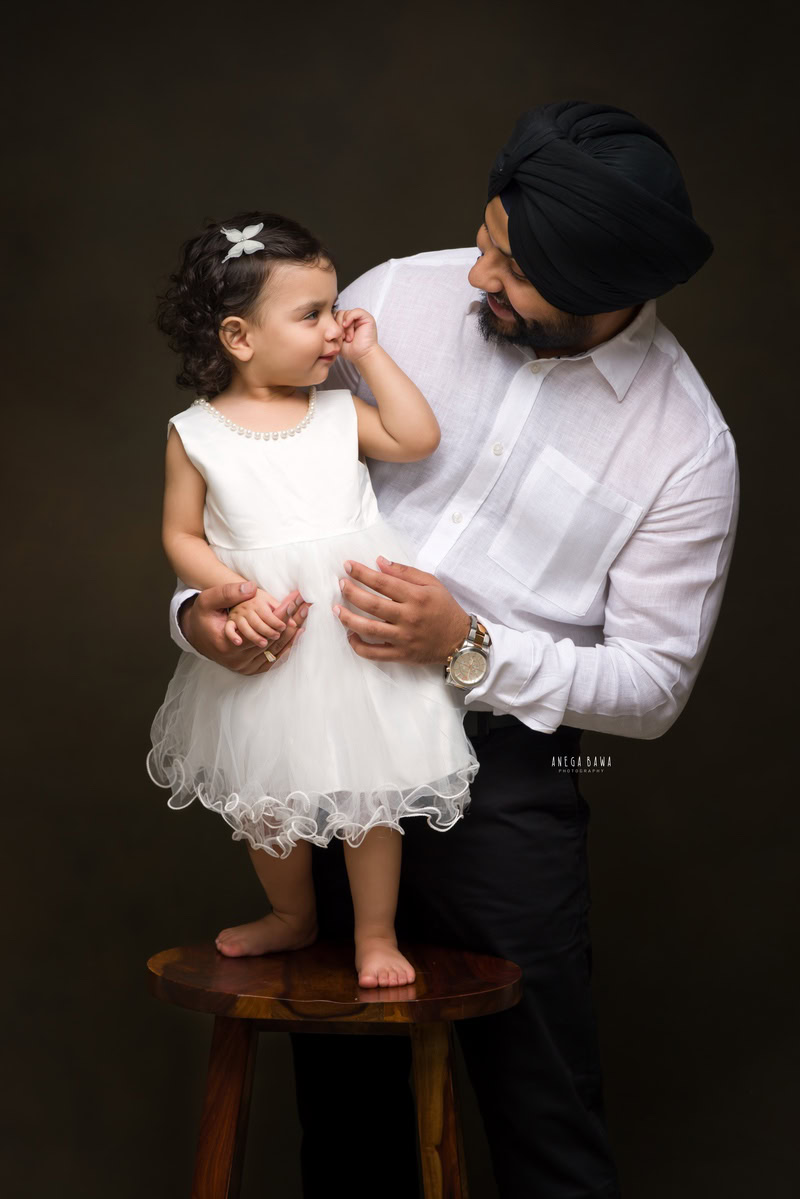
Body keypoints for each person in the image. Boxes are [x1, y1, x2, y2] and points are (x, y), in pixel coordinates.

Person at [167, 101, 740, 1199]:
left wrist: (466, 647)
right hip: (321, 743)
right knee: (343, 1122)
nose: (477, 273)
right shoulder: (389, 298)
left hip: (507, 785)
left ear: (604, 286)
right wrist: (201, 617)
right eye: (486, 238)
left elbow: (654, 685)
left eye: (511, 266)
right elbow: (244, 477)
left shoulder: (681, 444)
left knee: (544, 1115)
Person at [146, 211, 479, 990]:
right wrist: (225, 589)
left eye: (335, 310)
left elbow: (415, 436)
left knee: (373, 796)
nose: (335, 328)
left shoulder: (335, 412)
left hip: (356, 638)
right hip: (273, 634)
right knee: (264, 791)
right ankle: (292, 915)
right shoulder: (196, 433)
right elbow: (180, 534)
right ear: (239, 337)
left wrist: (372, 354)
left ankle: (374, 933)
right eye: (314, 315)